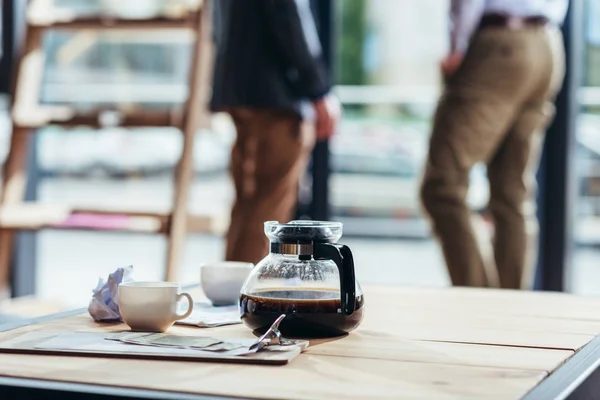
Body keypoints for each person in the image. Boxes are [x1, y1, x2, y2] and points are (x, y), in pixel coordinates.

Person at [420, 0, 568, 289]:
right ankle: (510, 314)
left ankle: (481, 306)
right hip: (548, 46)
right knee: (512, 193)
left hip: (501, 45)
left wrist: (457, 45)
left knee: (442, 186)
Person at [210, 0, 341, 264]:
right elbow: (290, 15)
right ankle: (248, 299)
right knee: (266, 215)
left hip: (241, 91)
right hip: (275, 96)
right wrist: (318, 89)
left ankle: (233, 297)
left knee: (247, 211)